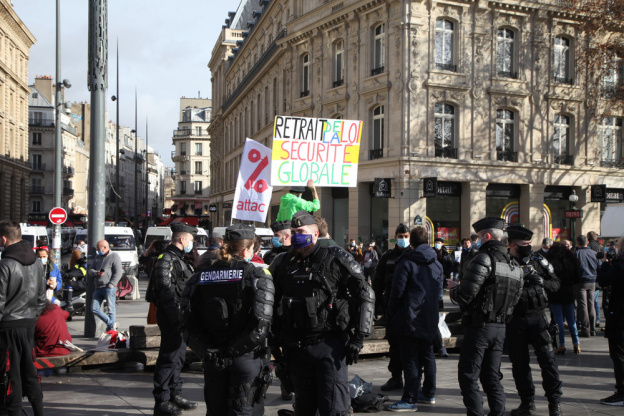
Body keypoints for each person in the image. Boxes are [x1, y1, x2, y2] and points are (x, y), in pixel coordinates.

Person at [269, 210, 375, 416]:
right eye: (293, 231)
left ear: (316, 234)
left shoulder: (335, 258)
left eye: (300, 231)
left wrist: (359, 337)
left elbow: (365, 293)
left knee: (334, 407)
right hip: (295, 347)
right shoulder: (282, 262)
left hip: (328, 345)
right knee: (303, 408)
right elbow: (269, 301)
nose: (295, 236)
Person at [183, 224, 274, 416]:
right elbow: (261, 323)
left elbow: (186, 323)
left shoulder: (200, 277)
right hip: (245, 357)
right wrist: (232, 352)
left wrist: (207, 351)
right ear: (246, 250)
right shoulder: (256, 275)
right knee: (243, 411)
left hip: (213, 357)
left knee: (216, 410)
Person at [450, 217, 524, 416]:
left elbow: (465, 295)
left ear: (488, 236)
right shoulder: (514, 264)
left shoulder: (484, 259)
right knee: (492, 376)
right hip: (500, 327)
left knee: (468, 375)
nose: (477, 240)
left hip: (480, 327)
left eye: (480, 237)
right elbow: (516, 298)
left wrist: (454, 290)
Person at [505, 225, 563, 416]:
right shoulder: (505, 261)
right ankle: (527, 403)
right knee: (519, 364)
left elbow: (556, 283)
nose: (529, 247)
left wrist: (542, 282)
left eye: (530, 243)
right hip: (515, 319)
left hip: (538, 317)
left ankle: (555, 404)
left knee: (548, 361)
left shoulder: (538, 260)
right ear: (513, 244)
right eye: (525, 244)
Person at [385, 226, 444, 411]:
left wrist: (391, 312)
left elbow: (397, 291)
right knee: (427, 356)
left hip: (409, 316)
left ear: (411, 242)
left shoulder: (406, 261)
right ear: (427, 240)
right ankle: (428, 393)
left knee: (409, 358)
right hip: (429, 317)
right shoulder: (436, 262)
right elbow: (439, 293)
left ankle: (409, 399)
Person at [149, 223, 199, 416]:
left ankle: (174, 394)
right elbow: (165, 290)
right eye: (191, 240)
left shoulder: (179, 259)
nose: (192, 244)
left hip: (179, 316)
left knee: (178, 357)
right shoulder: (166, 258)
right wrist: (177, 317)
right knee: (168, 357)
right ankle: (162, 400)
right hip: (172, 316)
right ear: (182, 239)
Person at [0, 220, 46, 416]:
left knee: (12, 373)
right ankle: (39, 411)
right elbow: (42, 299)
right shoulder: (37, 262)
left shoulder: (6, 264)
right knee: (29, 370)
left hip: (8, 325)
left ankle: (14, 411)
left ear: (4, 239)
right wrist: (32, 318)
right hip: (28, 324)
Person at [373, 223, 411, 391]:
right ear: (395, 237)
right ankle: (396, 377)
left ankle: (413, 378)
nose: (403, 239)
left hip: (410, 307)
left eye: (406, 236)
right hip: (392, 306)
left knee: (411, 344)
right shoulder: (388, 256)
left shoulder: (414, 255)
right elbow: (378, 282)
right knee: (394, 344)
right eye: (400, 236)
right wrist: (377, 304)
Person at [597, 236, 624, 406]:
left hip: (620, 316)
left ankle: (621, 392)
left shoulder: (620, 265)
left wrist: (605, 265)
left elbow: (604, 280)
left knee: (619, 354)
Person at [545, 242, 581, 354]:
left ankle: (561, 344)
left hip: (555, 293)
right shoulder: (570, 262)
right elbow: (576, 277)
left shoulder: (551, 263)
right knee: (571, 319)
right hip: (568, 292)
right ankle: (576, 343)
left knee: (558, 320)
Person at [88, 239, 123, 332]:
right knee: (94, 309)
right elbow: (90, 270)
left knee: (110, 309)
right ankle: (111, 324)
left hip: (108, 287)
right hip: (98, 287)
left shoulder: (114, 256)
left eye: (98, 248)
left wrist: (111, 284)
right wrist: (96, 273)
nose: (97, 250)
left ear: (105, 247)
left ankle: (109, 330)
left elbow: (119, 271)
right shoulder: (97, 257)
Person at [575, 234, 601, 337]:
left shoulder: (577, 253)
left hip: (582, 281)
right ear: (587, 242)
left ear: (578, 243)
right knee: (591, 304)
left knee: (583, 305)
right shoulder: (594, 253)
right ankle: (593, 329)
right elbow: (600, 266)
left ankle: (585, 329)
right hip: (592, 280)